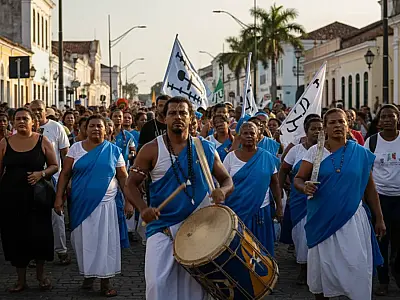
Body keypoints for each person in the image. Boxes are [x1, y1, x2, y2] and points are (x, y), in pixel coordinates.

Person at [125, 96, 234, 300]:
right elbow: (130, 184)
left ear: (191, 118)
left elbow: (227, 179)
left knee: (196, 289)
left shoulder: (205, 149)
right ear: (163, 118)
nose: (178, 117)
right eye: (172, 113)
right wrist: (142, 208)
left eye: (183, 113)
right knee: (157, 285)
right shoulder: (151, 149)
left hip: (200, 229)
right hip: (163, 228)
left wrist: (223, 191)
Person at [294, 108, 386, 300]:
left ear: (348, 125)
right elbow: (299, 179)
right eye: (332, 123)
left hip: (352, 219)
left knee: (355, 266)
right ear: (325, 128)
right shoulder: (315, 152)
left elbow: (370, 189)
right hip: (321, 219)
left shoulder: (360, 153)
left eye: (341, 122)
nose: (337, 126)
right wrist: (305, 187)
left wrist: (379, 217)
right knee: (323, 269)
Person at [55, 115, 131, 297]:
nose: (96, 129)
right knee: (82, 242)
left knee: (105, 243)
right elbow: (65, 174)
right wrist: (59, 198)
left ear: (106, 129)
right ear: (85, 129)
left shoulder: (113, 150)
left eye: (99, 126)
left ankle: (105, 281)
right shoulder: (75, 149)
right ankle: (88, 275)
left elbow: (123, 177)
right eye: (92, 126)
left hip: (107, 206)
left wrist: (129, 201)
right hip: (81, 204)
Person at [0, 108, 58, 292]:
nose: (21, 121)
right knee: (15, 237)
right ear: (13, 122)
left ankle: (41, 275)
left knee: (39, 235)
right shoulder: (5, 142)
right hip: (11, 198)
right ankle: (20, 280)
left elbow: (54, 166)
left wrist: (41, 173)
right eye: (17, 119)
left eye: (25, 118)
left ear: (33, 122)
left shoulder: (42, 140)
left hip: (37, 198)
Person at [223, 122, 282, 256]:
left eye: (252, 133)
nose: (249, 136)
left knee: (261, 249)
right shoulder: (230, 158)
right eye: (245, 133)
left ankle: (264, 275)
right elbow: (223, 182)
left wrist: (279, 206)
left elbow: (274, 183)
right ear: (239, 137)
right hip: (237, 211)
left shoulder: (266, 156)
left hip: (262, 211)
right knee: (239, 251)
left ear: (258, 136)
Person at [278, 116, 323, 285]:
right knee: (301, 235)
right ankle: (303, 269)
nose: (317, 132)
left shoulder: (327, 150)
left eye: (320, 128)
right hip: (299, 199)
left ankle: (318, 269)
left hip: (321, 200)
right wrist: (282, 191)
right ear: (306, 131)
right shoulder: (296, 150)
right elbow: (283, 170)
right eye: (313, 129)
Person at [364, 104, 400, 296]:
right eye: (383, 117)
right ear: (379, 121)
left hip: (399, 198)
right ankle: (383, 280)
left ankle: (396, 270)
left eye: (390, 116)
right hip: (380, 199)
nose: (387, 120)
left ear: (397, 119)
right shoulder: (371, 142)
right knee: (381, 241)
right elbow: (365, 171)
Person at [30, 100, 71, 265]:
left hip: (53, 177)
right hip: (32, 178)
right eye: (33, 110)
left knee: (57, 215)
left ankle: (61, 250)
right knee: (34, 218)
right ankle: (35, 253)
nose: (37, 112)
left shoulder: (56, 127)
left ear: (45, 111)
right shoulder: (26, 128)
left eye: (39, 109)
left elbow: (65, 155)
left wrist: (67, 179)